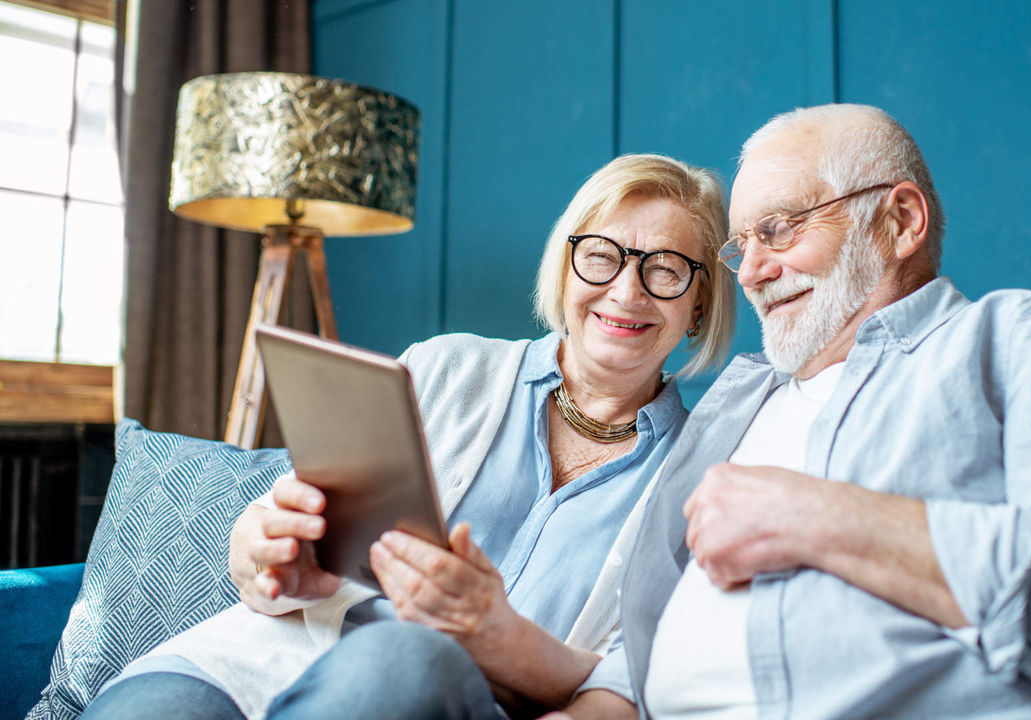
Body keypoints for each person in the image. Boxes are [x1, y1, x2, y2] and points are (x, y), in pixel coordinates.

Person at [552, 105, 1031, 719]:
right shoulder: (736, 405)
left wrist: (823, 518)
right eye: (741, 245)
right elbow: (640, 655)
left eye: (778, 229)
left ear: (900, 221)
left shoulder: (1021, 340)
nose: (749, 271)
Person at [80, 153, 737, 720]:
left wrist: (494, 632)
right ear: (567, 269)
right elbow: (272, 536)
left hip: (453, 695)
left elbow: (638, 678)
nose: (625, 291)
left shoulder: (704, 474)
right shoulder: (445, 367)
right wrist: (267, 554)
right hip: (275, 652)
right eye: (602, 257)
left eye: (666, 270)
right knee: (155, 704)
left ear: (699, 302)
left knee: (405, 657)